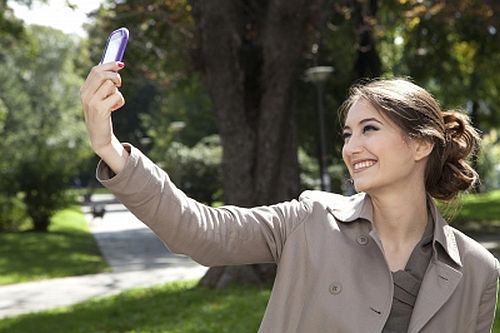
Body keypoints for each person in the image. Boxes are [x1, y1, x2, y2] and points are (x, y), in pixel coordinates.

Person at [80, 62, 500, 332]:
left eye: (370, 129)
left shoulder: (478, 271)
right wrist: (111, 148)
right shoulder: (310, 220)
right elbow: (198, 231)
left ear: (420, 145)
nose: (352, 147)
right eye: (348, 133)